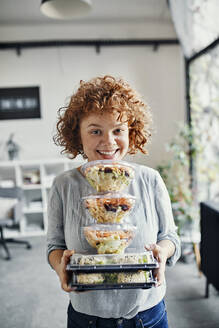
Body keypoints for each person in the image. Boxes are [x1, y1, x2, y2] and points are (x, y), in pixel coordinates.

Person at [47, 75, 181, 328]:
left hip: (147, 314)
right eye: (95, 130)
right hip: (87, 316)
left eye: (118, 130)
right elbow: (54, 245)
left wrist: (162, 254)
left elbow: (170, 237)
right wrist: (59, 267)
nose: (108, 142)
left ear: (132, 132)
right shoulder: (64, 185)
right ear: (78, 134)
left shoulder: (150, 180)